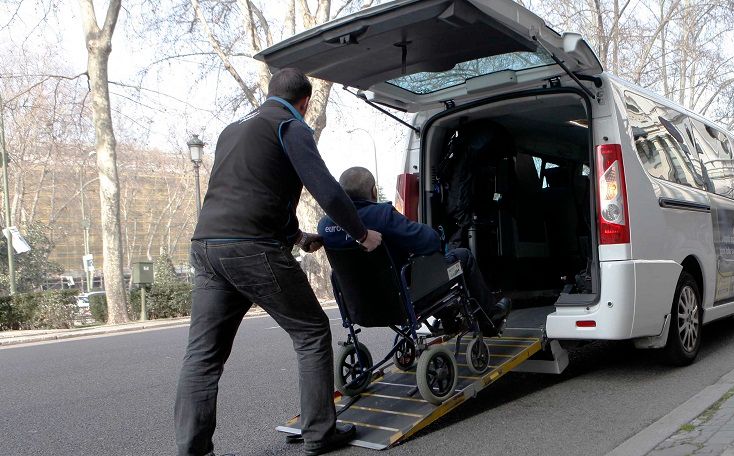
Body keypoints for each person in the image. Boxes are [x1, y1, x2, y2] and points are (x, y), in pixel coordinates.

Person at [174, 68, 382, 456]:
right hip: (251, 248)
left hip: (207, 246)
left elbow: (257, 191)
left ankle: (193, 451)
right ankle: (320, 434)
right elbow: (328, 191)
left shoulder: (232, 129)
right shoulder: (291, 125)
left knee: (202, 356)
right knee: (311, 332)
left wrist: (297, 236)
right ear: (304, 103)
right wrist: (361, 233)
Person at [318, 167, 511, 332]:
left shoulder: (325, 225)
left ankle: (449, 319)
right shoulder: (382, 215)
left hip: (358, 309)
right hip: (403, 301)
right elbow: (429, 241)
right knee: (463, 257)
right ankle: (490, 319)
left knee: (425, 272)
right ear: (374, 191)